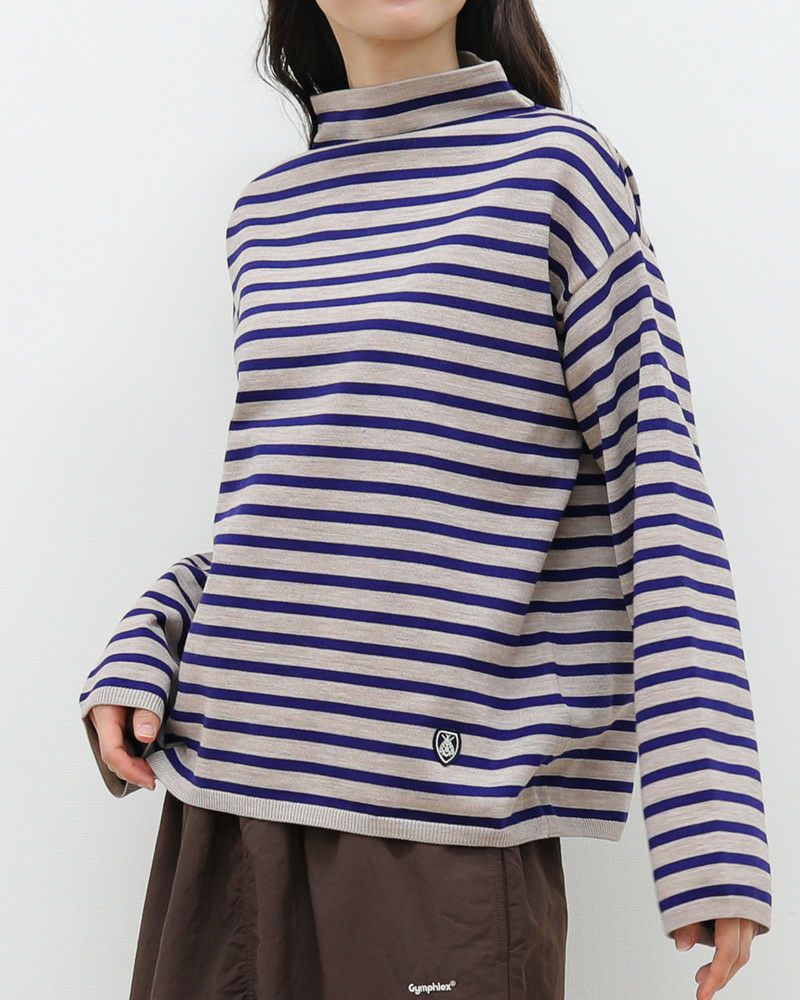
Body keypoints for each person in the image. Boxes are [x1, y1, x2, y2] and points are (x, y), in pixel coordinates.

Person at [78, 2, 772, 998]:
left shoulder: (557, 173)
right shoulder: (266, 217)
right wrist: (156, 628)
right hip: (223, 807)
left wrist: (709, 821)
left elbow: (658, 492)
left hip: (441, 826)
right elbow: (299, 513)